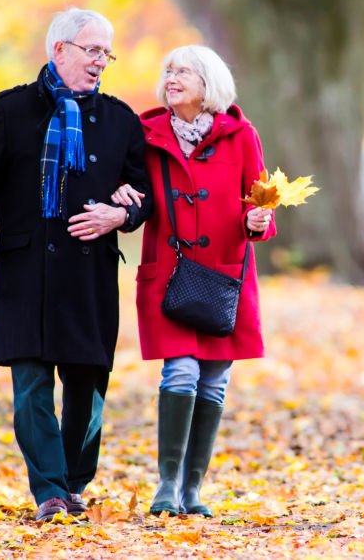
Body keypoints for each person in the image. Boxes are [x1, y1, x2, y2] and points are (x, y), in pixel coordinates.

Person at [0, 8, 152, 522]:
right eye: (93, 50)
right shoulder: (9, 110)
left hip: (89, 274)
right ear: (59, 50)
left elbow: (143, 196)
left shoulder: (120, 120)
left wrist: (121, 214)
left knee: (87, 388)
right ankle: (49, 491)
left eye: (107, 53)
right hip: (25, 270)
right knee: (31, 387)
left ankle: (73, 479)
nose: (101, 62)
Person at [112, 45, 275, 517]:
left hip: (225, 273)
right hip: (169, 271)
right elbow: (130, 189)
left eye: (184, 70)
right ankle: (166, 484)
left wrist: (258, 222)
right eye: (169, 70)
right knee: (180, 370)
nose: (172, 77)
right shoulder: (146, 134)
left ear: (210, 83)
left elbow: (257, 201)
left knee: (215, 381)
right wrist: (120, 195)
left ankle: (192, 490)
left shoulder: (242, 135)